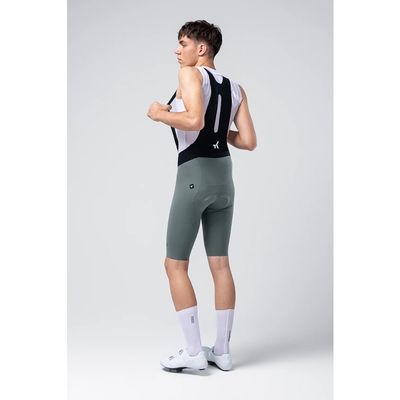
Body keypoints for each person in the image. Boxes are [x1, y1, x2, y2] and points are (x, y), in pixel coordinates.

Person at [147, 20, 257, 372]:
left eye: (183, 43)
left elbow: (194, 120)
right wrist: (218, 129)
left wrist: (160, 114)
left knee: (175, 264)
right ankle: (221, 352)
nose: (177, 50)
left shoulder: (190, 74)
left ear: (201, 48)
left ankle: (194, 352)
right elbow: (248, 141)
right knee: (220, 264)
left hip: (194, 176)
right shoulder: (236, 87)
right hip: (224, 179)